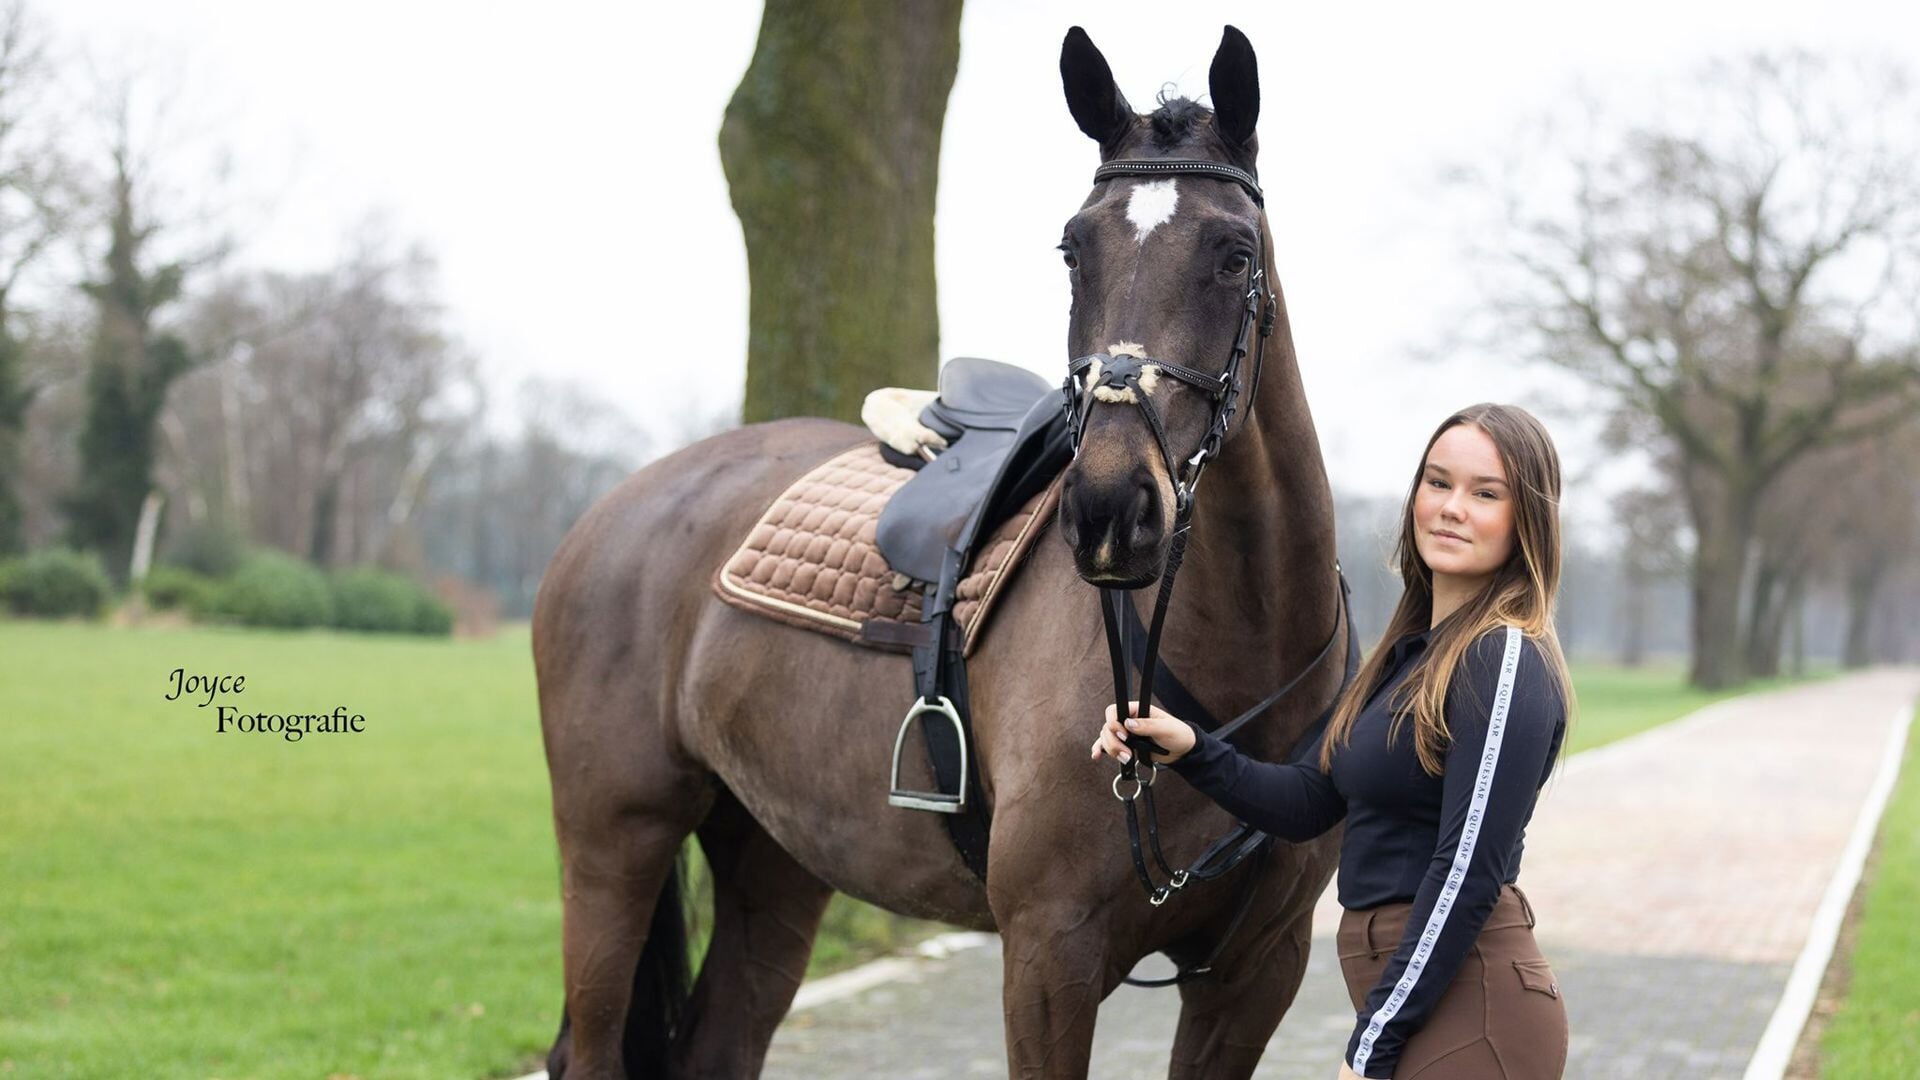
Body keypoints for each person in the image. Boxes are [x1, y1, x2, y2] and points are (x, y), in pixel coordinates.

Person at [1093, 403, 1575, 1079]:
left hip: (1476, 1010)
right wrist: (1191, 749)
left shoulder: (1503, 659)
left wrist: (1372, 1047)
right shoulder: (1407, 658)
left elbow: (1467, 870)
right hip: (1420, 1000)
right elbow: (1314, 803)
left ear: (1526, 520)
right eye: (1437, 483)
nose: (1451, 507)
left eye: (1485, 493)